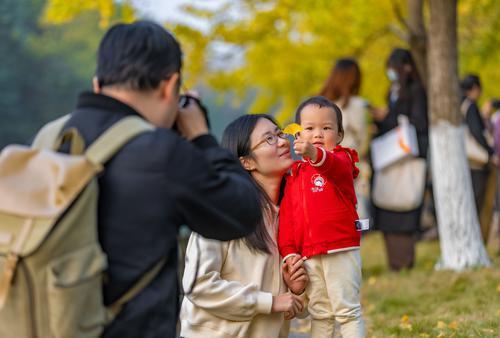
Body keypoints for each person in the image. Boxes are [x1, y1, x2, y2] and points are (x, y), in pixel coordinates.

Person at [48, 21, 262, 338]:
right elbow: (241, 213)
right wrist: (201, 137)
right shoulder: (163, 154)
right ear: (169, 86)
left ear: (97, 84)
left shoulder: (48, 140)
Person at [180, 114, 308, 338]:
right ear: (246, 162)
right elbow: (198, 284)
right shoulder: (222, 211)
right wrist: (270, 302)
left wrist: (297, 290)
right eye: (269, 138)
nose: (281, 141)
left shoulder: (296, 213)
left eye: (279, 134)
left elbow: (300, 307)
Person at [279, 96, 365, 338]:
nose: (318, 134)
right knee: (320, 312)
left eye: (326, 128)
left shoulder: (342, 159)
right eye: (309, 128)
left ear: (339, 135)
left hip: (340, 248)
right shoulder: (295, 175)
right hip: (309, 253)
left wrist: (315, 154)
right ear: (298, 135)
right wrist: (289, 252)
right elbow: (289, 218)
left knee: (347, 311)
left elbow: (333, 166)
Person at [370, 48, 429, 271]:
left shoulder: (415, 91)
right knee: (388, 210)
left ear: (406, 67)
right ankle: (394, 262)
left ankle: (405, 262)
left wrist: (390, 118)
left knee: (404, 209)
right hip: (391, 160)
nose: (391, 73)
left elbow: (419, 124)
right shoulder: (393, 91)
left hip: (407, 160)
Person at [320, 57, 370, 219]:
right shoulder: (358, 105)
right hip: (350, 170)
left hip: (323, 168)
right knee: (353, 220)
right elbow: (363, 143)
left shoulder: (319, 105)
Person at [460, 75, 495, 237]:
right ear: (475, 88)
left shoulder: (460, 104)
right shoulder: (470, 106)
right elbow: (477, 133)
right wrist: (490, 151)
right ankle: (474, 235)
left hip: (467, 162)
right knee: (476, 201)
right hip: (476, 162)